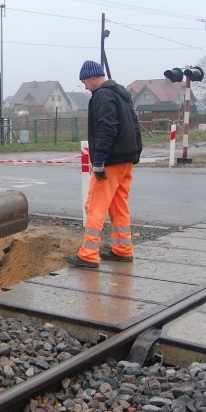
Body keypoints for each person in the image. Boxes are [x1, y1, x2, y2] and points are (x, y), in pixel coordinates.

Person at [68, 60, 143, 269]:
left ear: (93, 77)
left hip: (110, 160)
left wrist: (99, 159)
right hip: (126, 159)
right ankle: (123, 250)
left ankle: (89, 254)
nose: (85, 86)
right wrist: (135, 153)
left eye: (85, 82)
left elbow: (107, 127)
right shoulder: (121, 94)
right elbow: (134, 126)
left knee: (95, 206)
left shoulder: (103, 96)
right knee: (119, 206)